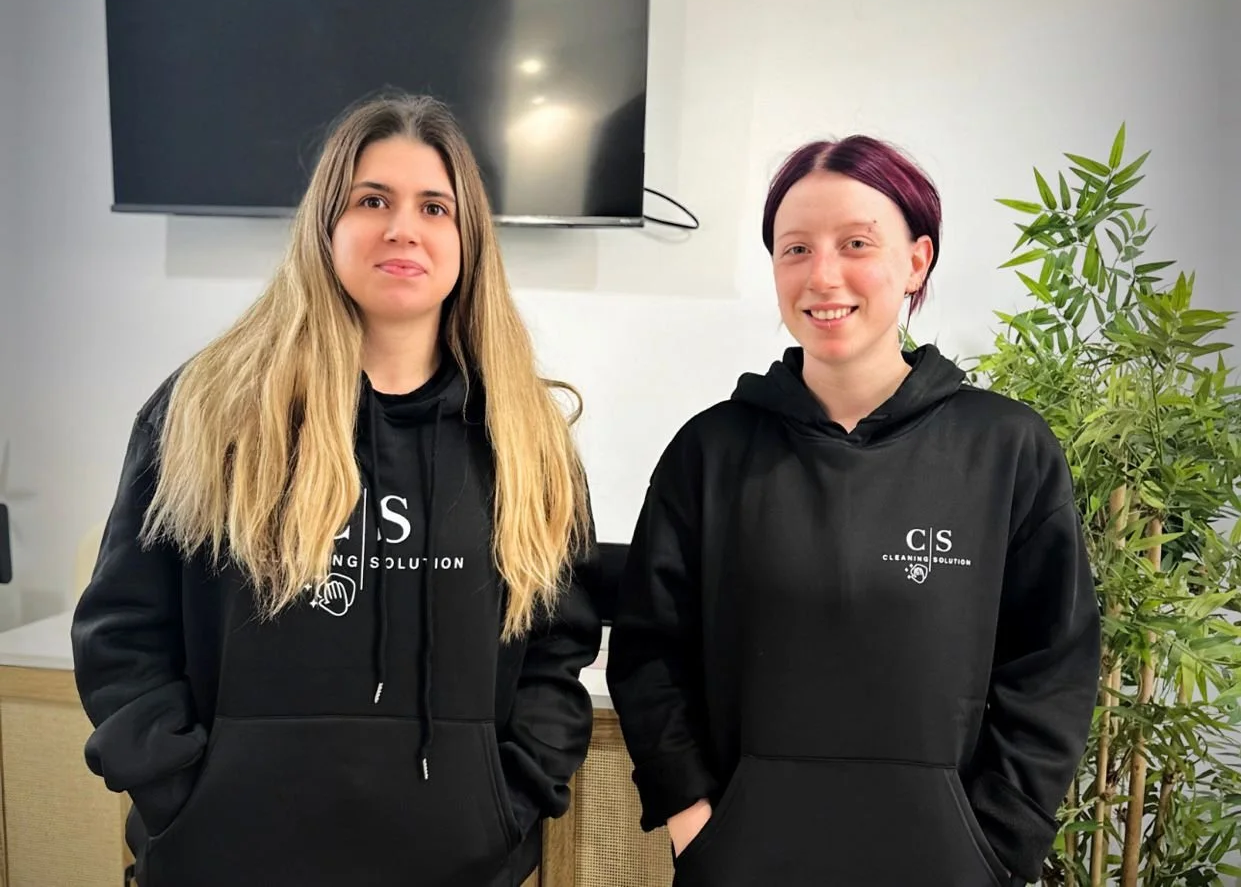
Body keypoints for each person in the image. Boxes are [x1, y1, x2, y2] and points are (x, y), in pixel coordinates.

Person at [73, 93, 601, 887]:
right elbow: (123, 629)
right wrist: (184, 791)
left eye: (434, 206)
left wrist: (509, 799)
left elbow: (557, 646)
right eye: (371, 200)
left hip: (452, 864)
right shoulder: (209, 409)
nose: (402, 228)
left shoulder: (527, 439)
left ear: (469, 240)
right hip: (226, 859)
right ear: (326, 226)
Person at [607, 135, 1100, 887]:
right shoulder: (710, 451)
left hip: (947, 865)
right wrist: (694, 823)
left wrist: (996, 841)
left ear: (916, 260)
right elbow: (648, 653)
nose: (822, 274)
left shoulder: (1003, 449)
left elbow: (1052, 665)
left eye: (856, 243)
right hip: (742, 864)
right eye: (794, 247)